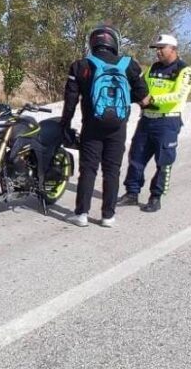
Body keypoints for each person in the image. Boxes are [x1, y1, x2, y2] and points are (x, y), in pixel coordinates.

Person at [61, 25, 150, 228]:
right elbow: (143, 97)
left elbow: (70, 101)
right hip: (118, 127)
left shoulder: (80, 65)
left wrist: (65, 125)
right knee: (112, 170)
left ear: (92, 43)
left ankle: (81, 214)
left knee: (88, 169)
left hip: (91, 127)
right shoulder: (129, 64)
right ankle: (108, 216)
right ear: (114, 42)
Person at [120, 33, 191, 213]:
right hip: (147, 119)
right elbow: (142, 87)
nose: (158, 52)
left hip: (167, 121)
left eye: (161, 48)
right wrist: (133, 97)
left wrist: (151, 99)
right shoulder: (153, 67)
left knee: (164, 161)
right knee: (136, 157)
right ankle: (132, 193)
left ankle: (156, 196)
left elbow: (178, 95)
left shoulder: (185, 70)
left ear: (173, 49)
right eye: (156, 49)